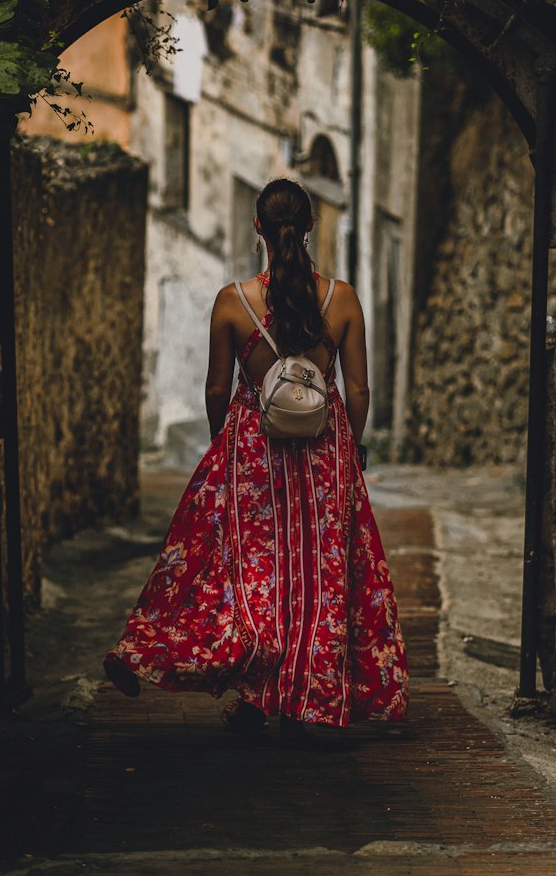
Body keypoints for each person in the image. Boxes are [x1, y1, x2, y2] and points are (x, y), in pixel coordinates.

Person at [103, 177, 408, 744]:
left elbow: (217, 388)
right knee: (320, 572)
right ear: (312, 226)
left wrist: (225, 440)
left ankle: (245, 685)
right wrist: (352, 446)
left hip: (254, 450)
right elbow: (360, 389)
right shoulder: (340, 299)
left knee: (254, 574)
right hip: (325, 451)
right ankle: (307, 690)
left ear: (257, 229)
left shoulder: (231, 302)